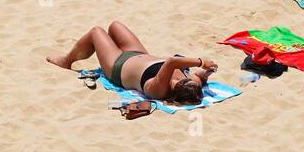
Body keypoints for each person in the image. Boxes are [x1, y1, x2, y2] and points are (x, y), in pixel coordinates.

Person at [46, 21, 214, 105]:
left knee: (96, 32)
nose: (180, 78)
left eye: (179, 82)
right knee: (115, 25)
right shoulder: (192, 85)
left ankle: (66, 61)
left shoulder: (158, 90)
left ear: (175, 91)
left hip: (117, 65)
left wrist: (200, 61)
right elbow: (200, 77)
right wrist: (206, 72)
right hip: (138, 53)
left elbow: (171, 62)